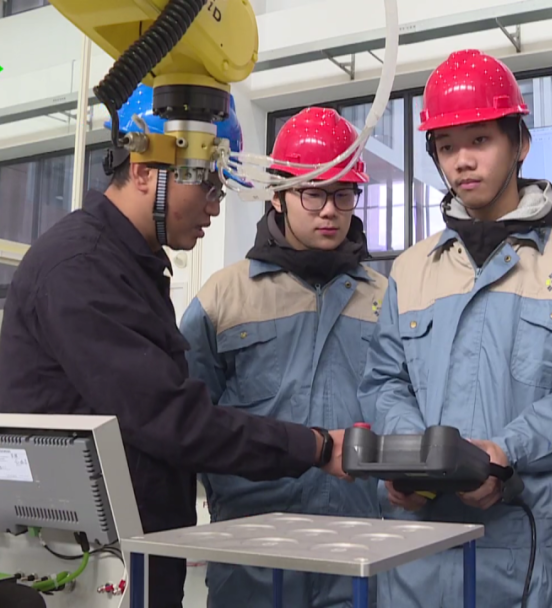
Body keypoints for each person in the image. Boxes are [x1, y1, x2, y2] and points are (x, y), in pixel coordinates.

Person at [0, 86, 350, 608]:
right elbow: (171, 418)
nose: (215, 206)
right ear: (143, 171)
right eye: (206, 184)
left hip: (128, 555)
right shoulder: (82, 268)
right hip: (86, 567)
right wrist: (314, 447)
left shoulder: (128, 266)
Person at [359, 49, 552, 608]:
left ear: (520, 144)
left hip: (523, 547)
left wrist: (505, 451)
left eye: (480, 140)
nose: (462, 161)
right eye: (446, 147)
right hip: (417, 553)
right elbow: (384, 382)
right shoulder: (410, 269)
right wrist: (414, 458)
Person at [179, 107, 387, 608]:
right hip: (252, 556)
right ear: (277, 195)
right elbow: (188, 422)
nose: (330, 210)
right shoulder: (223, 298)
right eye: (313, 193)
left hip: (358, 552)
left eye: (343, 193)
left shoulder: (385, 301)